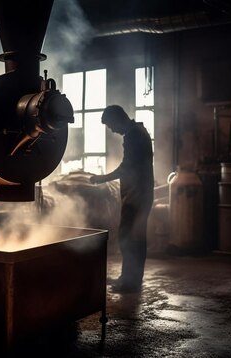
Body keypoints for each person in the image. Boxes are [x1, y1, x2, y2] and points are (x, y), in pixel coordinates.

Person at [90, 105, 154, 293]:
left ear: (118, 119)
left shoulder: (134, 136)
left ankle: (129, 282)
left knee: (128, 237)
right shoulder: (139, 132)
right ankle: (131, 279)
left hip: (137, 196)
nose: (112, 130)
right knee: (135, 237)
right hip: (141, 194)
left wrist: (102, 178)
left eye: (111, 125)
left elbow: (127, 168)